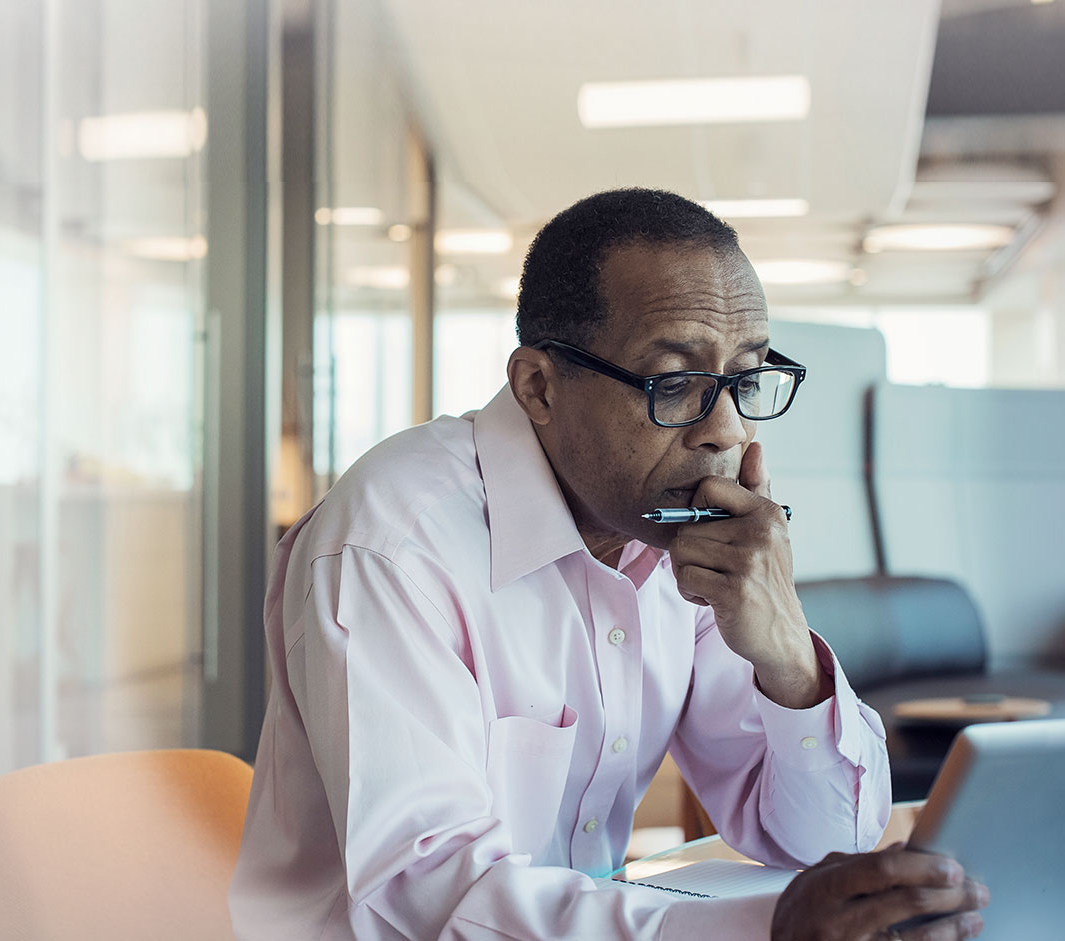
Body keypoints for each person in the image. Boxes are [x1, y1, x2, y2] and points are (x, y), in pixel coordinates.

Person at [229, 189, 990, 939]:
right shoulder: (391, 545)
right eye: (675, 381)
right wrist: (765, 929)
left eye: (745, 378)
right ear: (539, 387)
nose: (724, 428)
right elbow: (424, 899)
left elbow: (822, 844)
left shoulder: (676, 536)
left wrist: (788, 655)